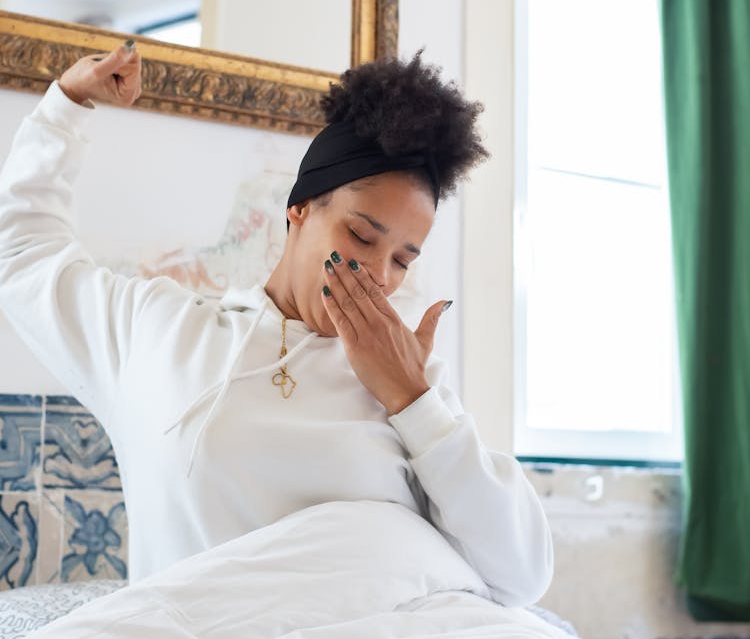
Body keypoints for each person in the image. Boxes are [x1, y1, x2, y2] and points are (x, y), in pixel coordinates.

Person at [0, 42, 553, 605]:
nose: (379, 275)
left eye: (403, 260)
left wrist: (414, 401)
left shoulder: (409, 375)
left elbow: (521, 576)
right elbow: (22, 254)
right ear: (302, 208)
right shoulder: (161, 330)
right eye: (361, 236)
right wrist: (64, 107)